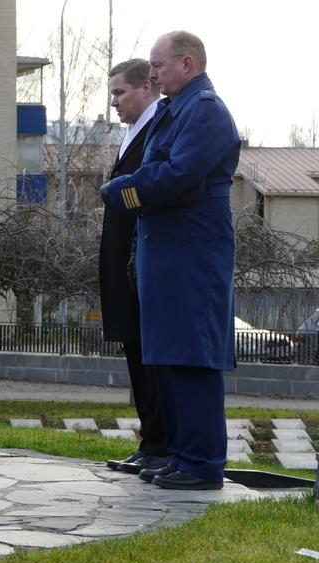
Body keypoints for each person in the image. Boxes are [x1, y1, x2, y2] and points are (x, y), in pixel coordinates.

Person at [100, 31, 239, 490]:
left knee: (192, 355)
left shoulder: (205, 111)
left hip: (192, 252)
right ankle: (178, 455)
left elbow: (176, 174)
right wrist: (137, 182)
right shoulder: (173, 110)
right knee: (169, 356)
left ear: (187, 63)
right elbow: (154, 165)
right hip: (167, 250)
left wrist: (123, 193)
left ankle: (201, 462)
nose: (152, 74)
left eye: (158, 66)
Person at [100, 59, 168, 476]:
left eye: (120, 92)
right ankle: (152, 443)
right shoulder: (131, 134)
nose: (114, 102)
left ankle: (161, 445)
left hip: (139, 262)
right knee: (135, 353)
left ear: (146, 88)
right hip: (122, 263)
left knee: (150, 357)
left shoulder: (157, 131)